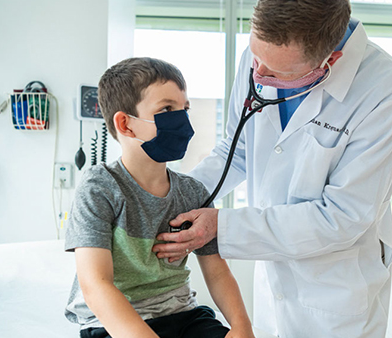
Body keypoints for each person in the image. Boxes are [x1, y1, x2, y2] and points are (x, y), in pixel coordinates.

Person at [153, 0, 392, 336]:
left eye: (276, 73)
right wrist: (170, 194)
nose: (258, 74)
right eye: (255, 57)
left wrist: (222, 227)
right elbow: (237, 149)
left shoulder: (383, 88)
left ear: (328, 62)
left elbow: (344, 216)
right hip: (274, 283)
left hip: (335, 296)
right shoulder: (261, 57)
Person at [64, 57, 255, 338]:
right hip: (111, 323)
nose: (182, 120)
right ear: (126, 124)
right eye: (167, 109)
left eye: (184, 108)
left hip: (183, 316)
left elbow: (217, 272)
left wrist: (242, 327)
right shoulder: (100, 187)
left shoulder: (193, 192)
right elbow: (96, 284)